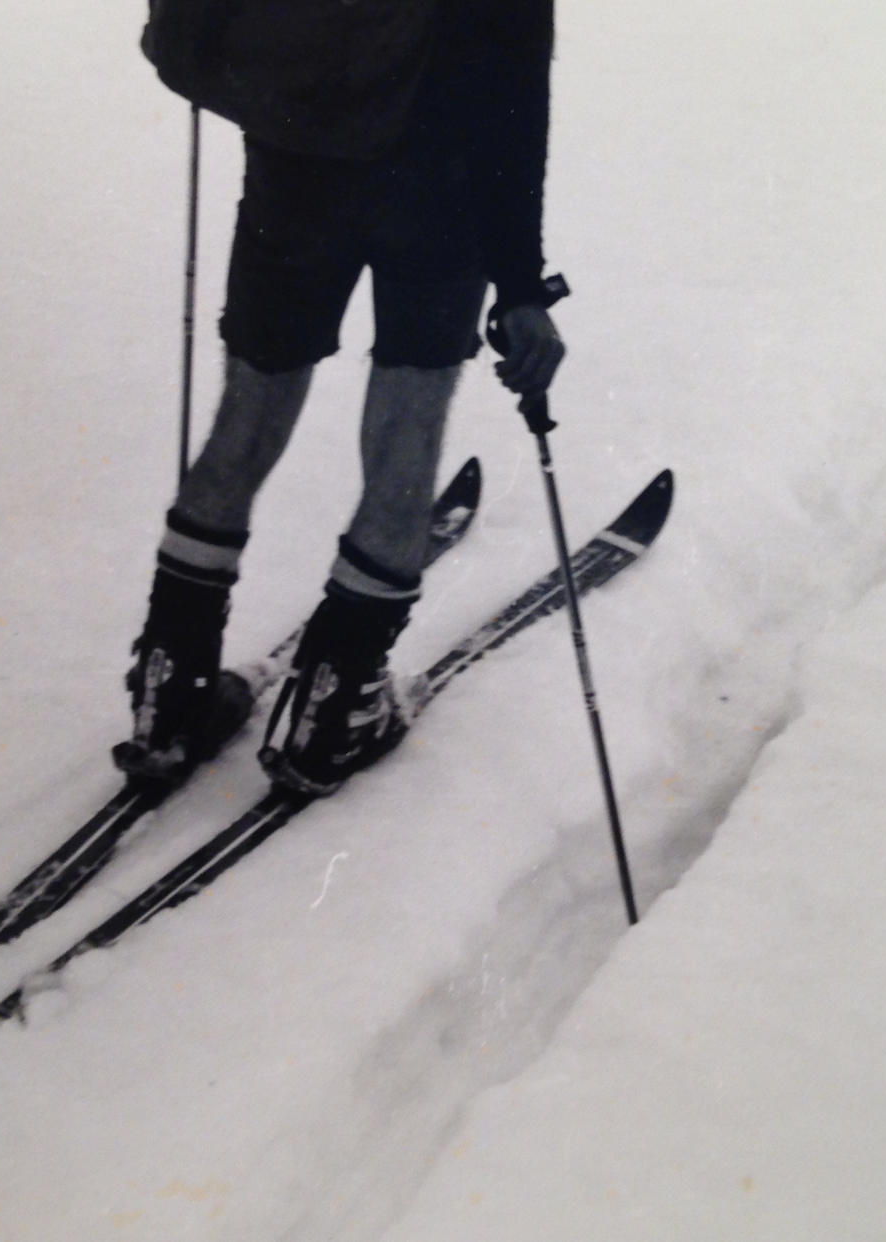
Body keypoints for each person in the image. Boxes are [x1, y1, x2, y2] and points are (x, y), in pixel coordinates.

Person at [114, 0, 567, 796]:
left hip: (295, 172)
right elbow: (515, 99)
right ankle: (336, 710)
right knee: (405, 433)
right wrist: (521, 286)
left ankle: (168, 690)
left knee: (246, 419)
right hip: (439, 192)